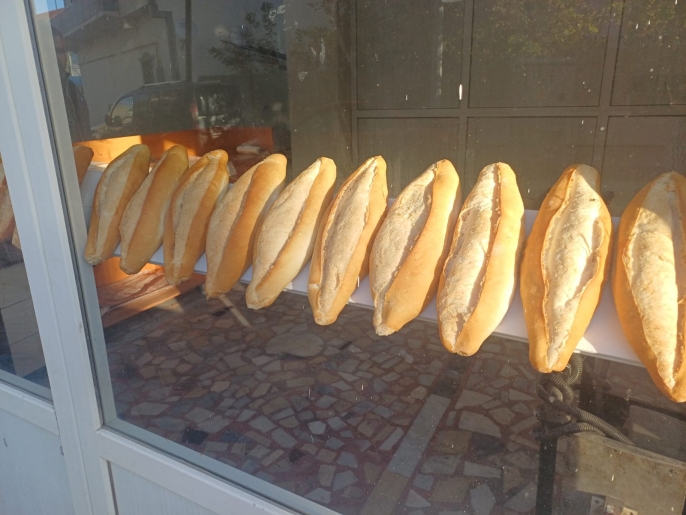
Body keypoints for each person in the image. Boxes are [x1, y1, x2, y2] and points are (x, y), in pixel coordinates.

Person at [52, 26, 91, 142]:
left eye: (60, 51)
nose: (57, 58)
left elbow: (85, 135)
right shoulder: (35, 99)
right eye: (51, 52)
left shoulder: (73, 91)